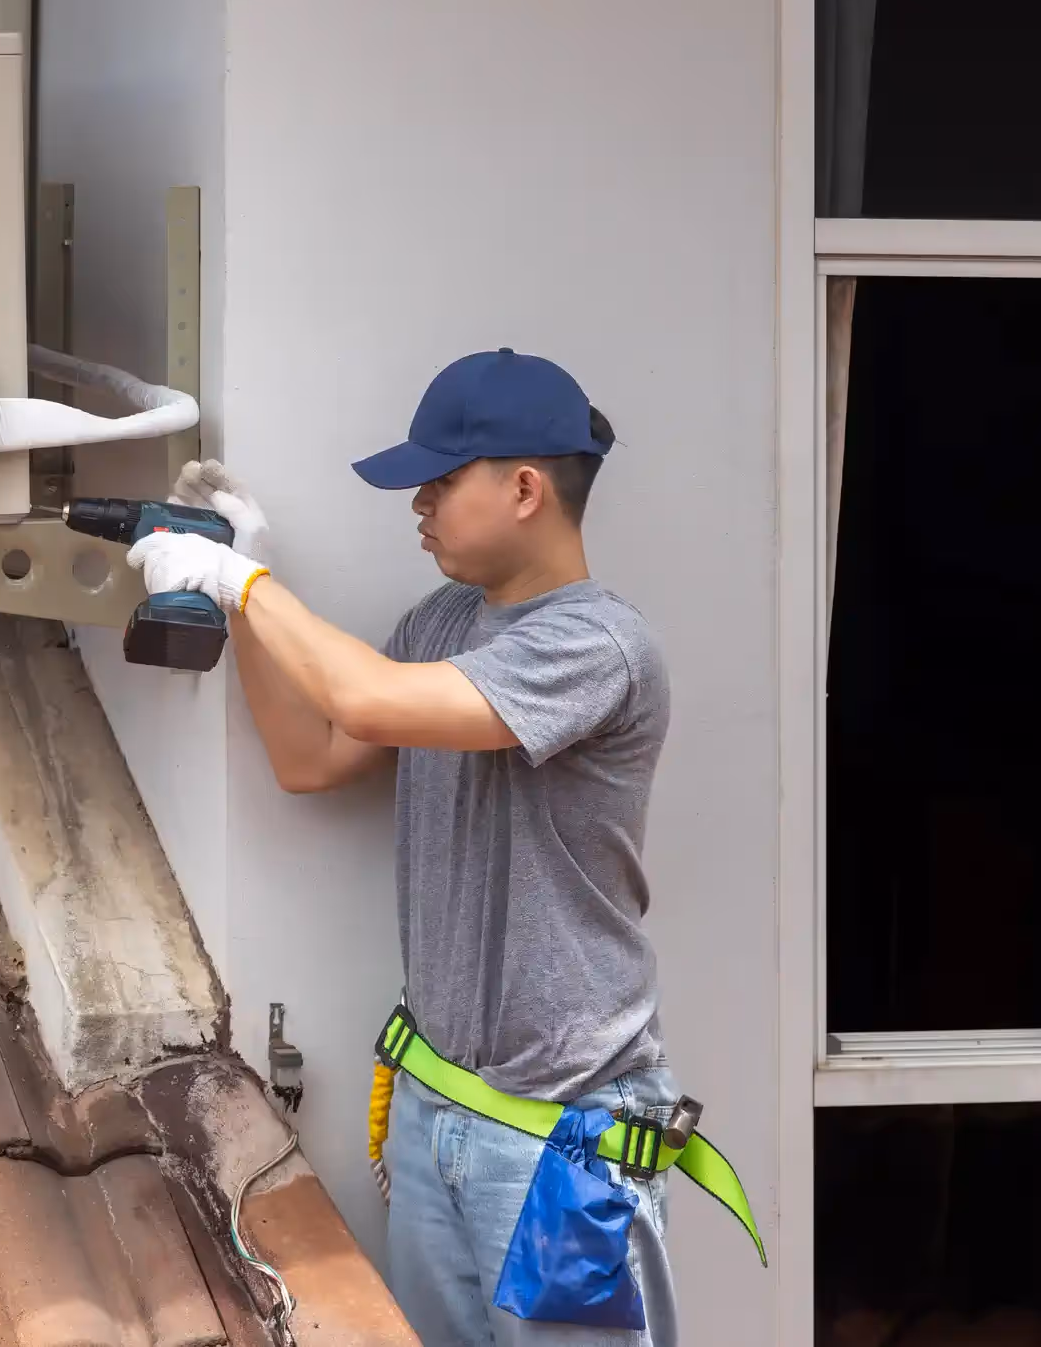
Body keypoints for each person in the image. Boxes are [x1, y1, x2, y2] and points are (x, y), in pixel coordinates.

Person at [126, 348, 695, 1346]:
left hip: (555, 1138)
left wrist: (237, 575)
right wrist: (237, 602)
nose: (417, 504)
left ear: (523, 487)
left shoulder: (596, 647)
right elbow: (311, 752)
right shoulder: (438, 622)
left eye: (437, 482)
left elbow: (366, 698)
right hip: (436, 1106)